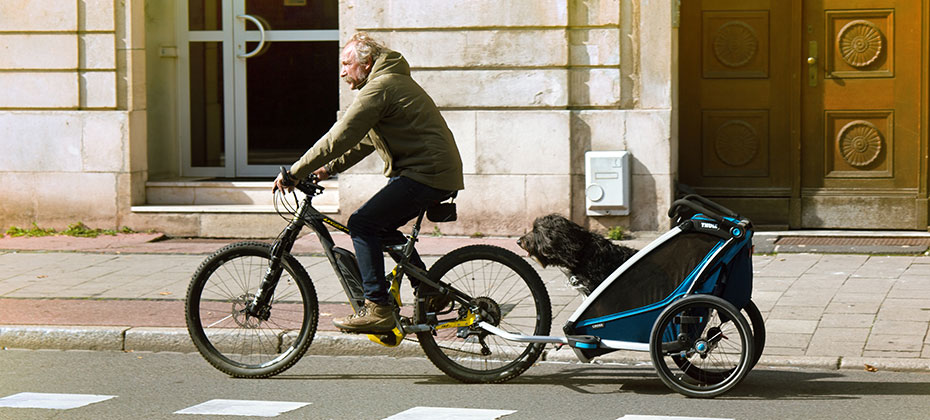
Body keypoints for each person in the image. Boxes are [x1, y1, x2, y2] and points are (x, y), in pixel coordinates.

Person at [273, 32, 464, 333]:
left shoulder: (380, 87)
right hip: (428, 171)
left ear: (367, 63)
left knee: (362, 224)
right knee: (381, 227)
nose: (342, 70)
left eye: (347, 63)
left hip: (427, 173)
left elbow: (340, 136)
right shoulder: (386, 83)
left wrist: (294, 172)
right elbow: (363, 142)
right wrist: (326, 169)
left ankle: (377, 309)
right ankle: (429, 290)